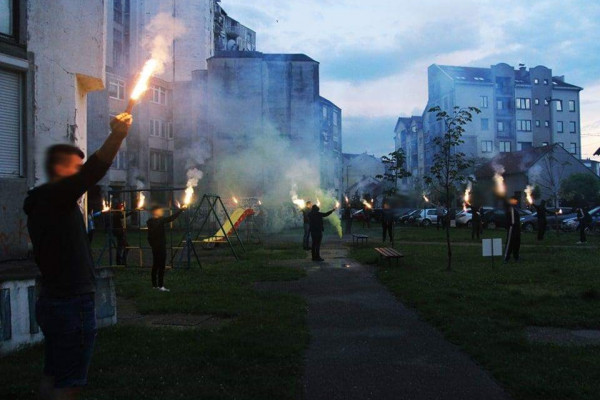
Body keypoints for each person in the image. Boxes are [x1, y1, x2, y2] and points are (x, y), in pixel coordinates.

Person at [23, 113, 132, 400]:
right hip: (70, 303)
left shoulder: (45, 201)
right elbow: (94, 170)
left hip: (55, 299)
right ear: (61, 169)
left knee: (55, 371)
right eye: (76, 167)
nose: (81, 172)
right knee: (69, 381)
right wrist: (118, 134)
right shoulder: (54, 197)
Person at [147, 205, 184, 291]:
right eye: (159, 210)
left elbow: (171, 218)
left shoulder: (155, 220)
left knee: (158, 265)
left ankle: (157, 285)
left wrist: (180, 211)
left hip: (158, 246)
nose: (161, 211)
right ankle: (158, 286)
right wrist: (180, 210)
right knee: (158, 265)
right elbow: (170, 218)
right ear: (155, 212)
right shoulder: (155, 221)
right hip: (158, 246)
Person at [111, 201, 133, 265]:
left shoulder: (116, 214)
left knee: (121, 247)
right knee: (124, 247)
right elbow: (122, 216)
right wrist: (131, 212)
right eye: (121, 207)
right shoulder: (116, 215)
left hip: (120, 233)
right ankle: (121, 261)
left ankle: (120, 261)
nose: (122, 208)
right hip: (119, 233)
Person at [504, 197, 521, 263]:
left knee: (517, 243)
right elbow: (508, 220)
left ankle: (516, 257)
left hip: (517, 229)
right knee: (510, 243)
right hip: (512, 228)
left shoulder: (515, 209)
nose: (516, 201)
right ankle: (506, 257)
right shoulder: (510, 209)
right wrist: (510, 225)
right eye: (515, 200)